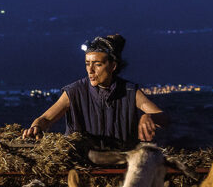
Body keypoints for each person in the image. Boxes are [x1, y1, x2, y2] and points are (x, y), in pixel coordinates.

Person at [22, 34, 168, 146]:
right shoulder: (74, 91)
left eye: (97, 64)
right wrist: (36, 127)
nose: (90, 70)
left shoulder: (129, 91)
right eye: (87, 64)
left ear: (113, 66)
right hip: (82, 165)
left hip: (120, 164)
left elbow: (163, 117)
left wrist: (149, 117)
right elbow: (46, 118)